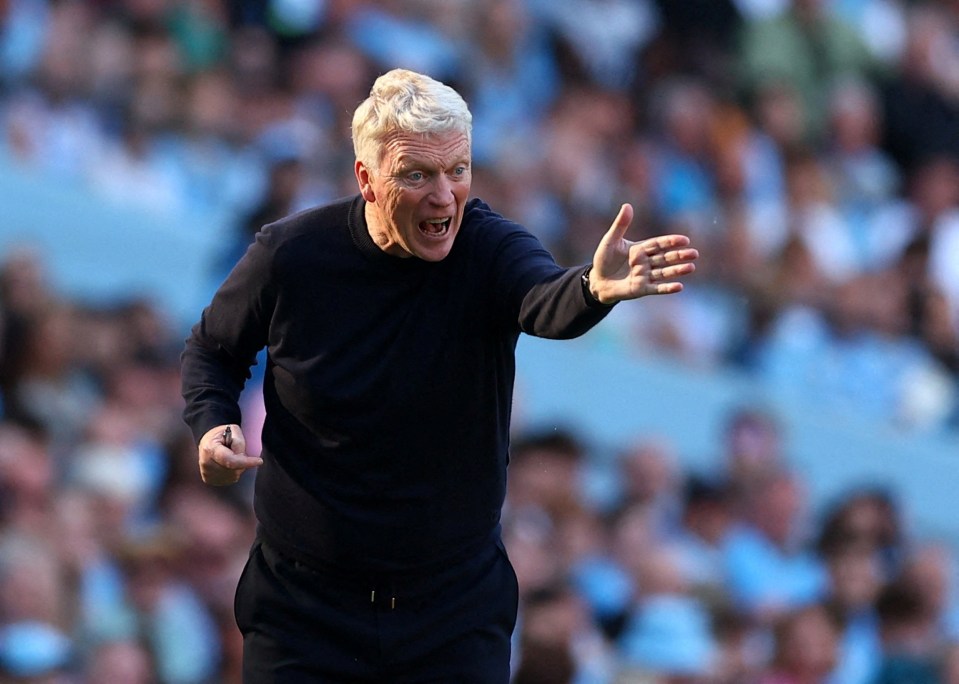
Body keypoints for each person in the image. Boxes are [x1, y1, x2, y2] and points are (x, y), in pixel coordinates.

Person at [179, 68, 698, 683]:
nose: (445, 195)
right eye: (417, 175)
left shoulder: (490, 248)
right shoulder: (292, 255)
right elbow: (212, 349)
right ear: (366, 180)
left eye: (458, 170)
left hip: (452, 612)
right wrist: (213, 425)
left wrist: (591, 289)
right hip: (303, 608)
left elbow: (543, 301)